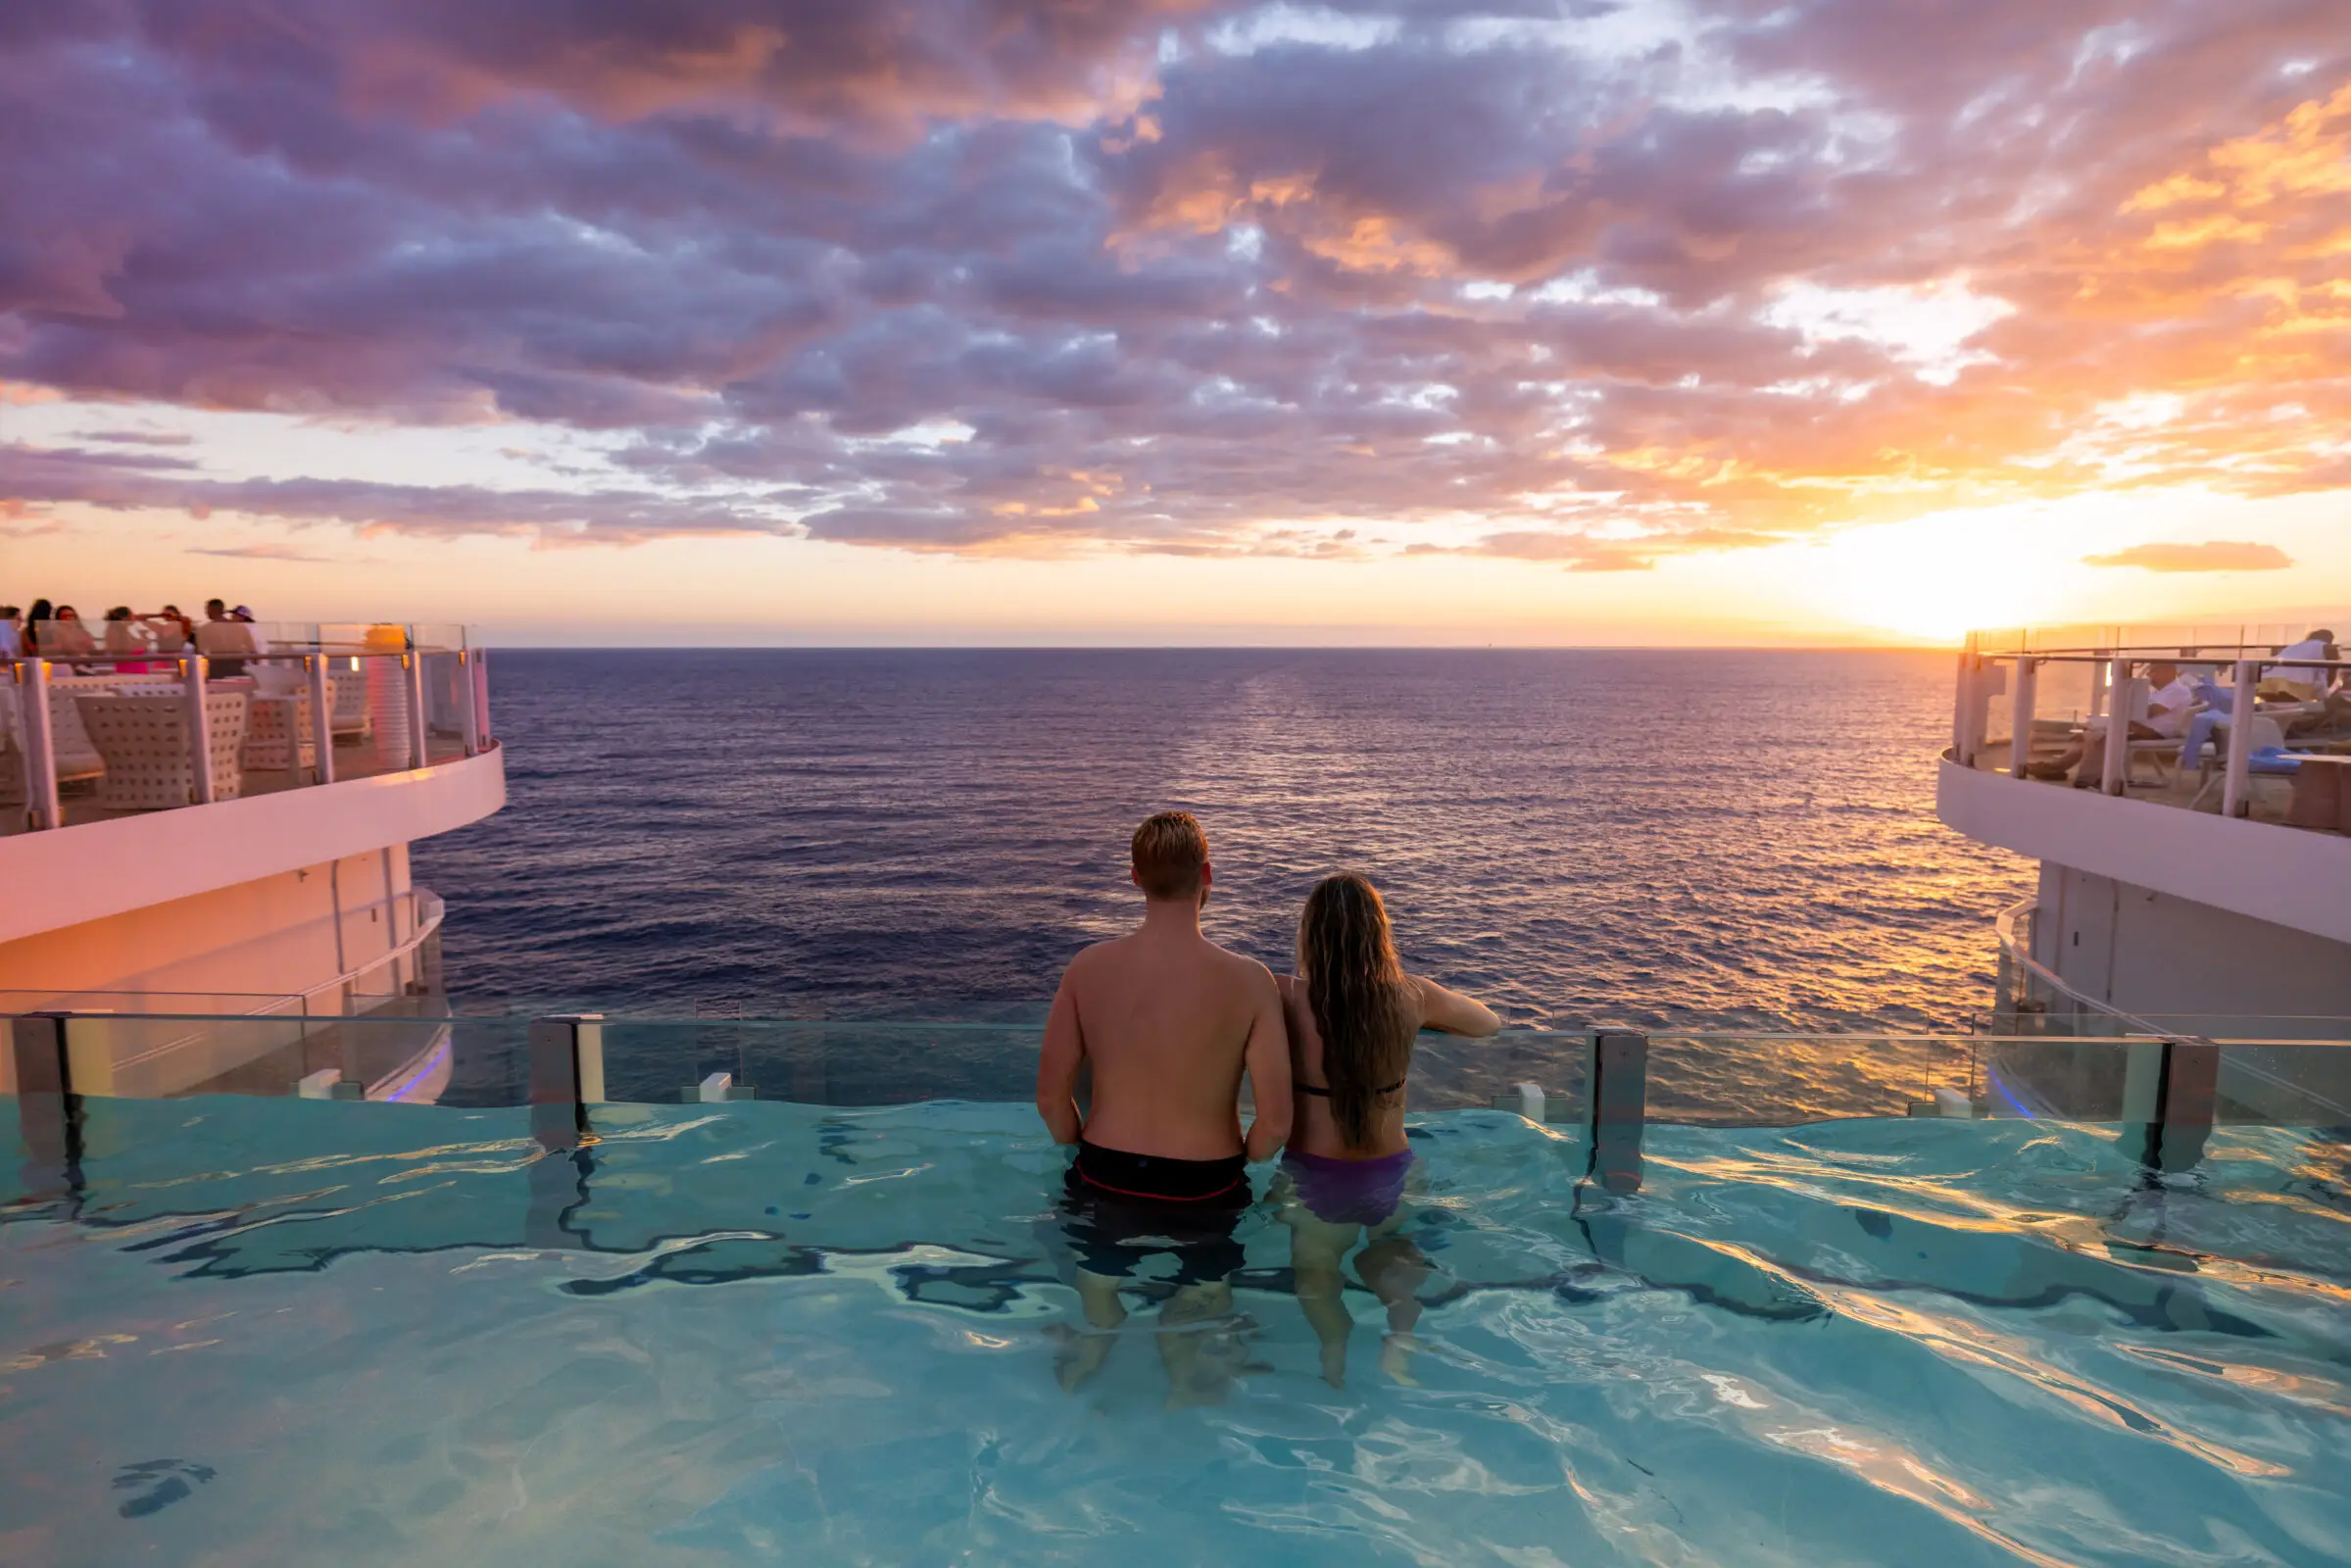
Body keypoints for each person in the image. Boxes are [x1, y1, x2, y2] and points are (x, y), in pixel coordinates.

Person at [1036, 810, 1292, 1403]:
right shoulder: (1250, 980)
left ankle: (1096, 1342)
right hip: (1205, 1185)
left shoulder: (1087, 969)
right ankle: (1184, 1379)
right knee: (1203, 1303)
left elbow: (1051, 1099)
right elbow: (1275, 1124)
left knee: (1097, 1289)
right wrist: (1241, 1155)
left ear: (1134, 878)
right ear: (1208, 874)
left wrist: (1077, 1141)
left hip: (1105, 1173)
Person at [1274, 872, 1499, 1386]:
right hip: (1392, 1172)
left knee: (1317, 1278)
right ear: (1380, 932)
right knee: (1395, 1259)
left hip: (1314, 1176)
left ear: (1311, 934)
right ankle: (1399, 1342)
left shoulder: (1285, 996)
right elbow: (1489, 1024)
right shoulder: (1411, 997)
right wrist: (1424, 1020)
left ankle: (1334, 1356)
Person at [195, 598, 256, 677]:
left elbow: (200, 653)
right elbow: (253, 652)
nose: (206, 612)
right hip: (237, 667)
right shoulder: (240, 627)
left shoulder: (204, 629)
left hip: (217, 668)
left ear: (211, 610)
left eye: (207, 610)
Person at [102, 607, 155, 673]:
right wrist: (143, 640)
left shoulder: (123, 631)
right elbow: (122, 650)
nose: (134, 618)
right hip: (128, 667)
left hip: (132, 666)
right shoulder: (116, 631)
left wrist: (143, 637)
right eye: (132, 615)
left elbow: (142, 644)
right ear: (123, 618)